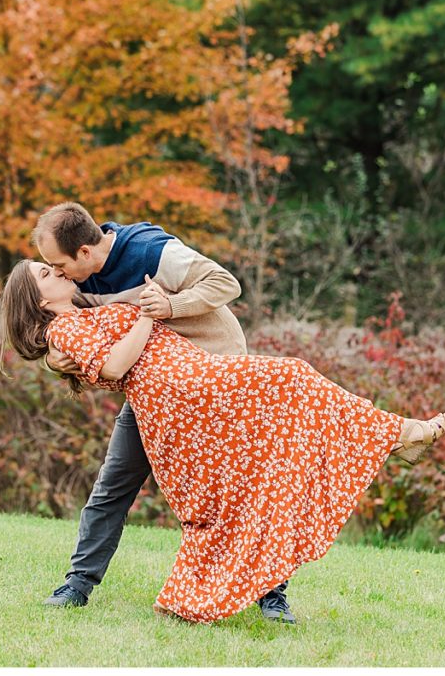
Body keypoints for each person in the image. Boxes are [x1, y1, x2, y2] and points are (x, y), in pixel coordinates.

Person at [1, 258, 445, 624]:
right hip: (182, 389)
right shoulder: (64, 327)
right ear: (38, 298)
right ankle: (396, 432)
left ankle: (394, 436)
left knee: (259, 461)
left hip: (185, 384)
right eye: (45, 272)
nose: (55, 269)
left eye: (54, 262)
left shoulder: (100, 282)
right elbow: (115, 366)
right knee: (291, 381)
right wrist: (144, 315)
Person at [30, 202, 298, 623]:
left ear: (84, 252)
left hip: (215, 374)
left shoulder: (153, 253)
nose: (57, 273)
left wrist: (169, 308)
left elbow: (226, 283)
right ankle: (77, 585)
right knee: (114, 483)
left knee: (241, 483)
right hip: (156, 391)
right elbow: (64, 323)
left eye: (58, 264)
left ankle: (272, 595)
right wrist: (53, 360)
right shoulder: (78, 280)